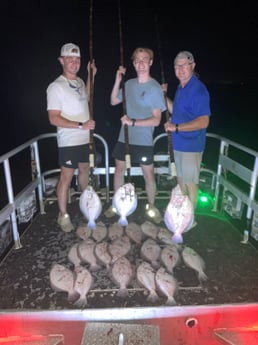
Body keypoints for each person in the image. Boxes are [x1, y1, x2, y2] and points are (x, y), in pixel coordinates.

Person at [105, 47, 166, 223]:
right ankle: (117, 205)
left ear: (151, 62)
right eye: (137, 60)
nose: (140, 63)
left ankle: (152, 206)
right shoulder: (129, 84)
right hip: (124, 138)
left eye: (144, 59)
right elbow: (113, 101)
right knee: (119, 171)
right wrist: (118, 80)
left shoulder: (154, 88)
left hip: (144, 141)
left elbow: (156, 120)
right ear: (133, 63)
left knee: (149, 175)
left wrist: (132, 122)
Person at [46, 43, 96, 232]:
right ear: (62, 61)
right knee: (66, 177)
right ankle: (63, 215)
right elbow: (53, 118)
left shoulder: (80, 82)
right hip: (68, 141)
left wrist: (91, 75)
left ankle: (87, 204)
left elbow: (87, 96)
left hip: (85, 140)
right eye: (70, 59)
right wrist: (81, 125)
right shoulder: (55, 87)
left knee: (84, 171)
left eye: (77, 60)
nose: (74, 63)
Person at [164, 51, 211, 226]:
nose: (181, 69)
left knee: (191, 183)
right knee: (181, 181)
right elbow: (177, 111)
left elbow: (204, 121)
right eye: (177, 66)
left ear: (193, 66)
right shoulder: (181, 87)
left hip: (191, 145)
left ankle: (191, 220)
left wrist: (176, 127)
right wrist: (164, 96)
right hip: (179, 143)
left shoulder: (198, 90)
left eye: (185, 65)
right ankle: (181, 216)